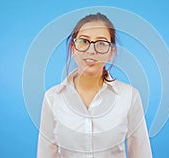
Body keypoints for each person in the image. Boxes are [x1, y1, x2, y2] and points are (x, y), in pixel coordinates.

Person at [37, 12, 152, 158]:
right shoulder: (52, 98)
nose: (91, 50)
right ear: (73, 48)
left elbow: (142, 153)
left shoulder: (129, 97)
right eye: (84, 41)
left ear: (111, 52)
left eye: (101, 43)